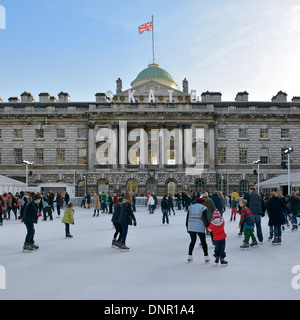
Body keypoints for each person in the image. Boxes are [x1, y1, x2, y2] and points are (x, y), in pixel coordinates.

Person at [186, 198, 210, 263]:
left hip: (191, 226)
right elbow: (204, 218)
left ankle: (189, 256)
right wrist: (208, 226)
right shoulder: (203, 208)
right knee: (203, 242)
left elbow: (187, 218)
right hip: (200, 226)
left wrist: (187, 227)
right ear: (202, 202)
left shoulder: (190, 207)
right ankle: (206, 257)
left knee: (192, 241)